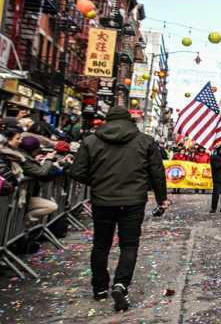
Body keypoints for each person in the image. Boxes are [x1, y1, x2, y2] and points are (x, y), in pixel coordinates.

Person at [66, 107, 169, 312]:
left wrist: (97, 181)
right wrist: (161, 199)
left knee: (101, 244)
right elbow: (157, 172)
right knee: (129, 244)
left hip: (103, 200)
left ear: (107, 120)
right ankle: (121, 284)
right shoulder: (145, 141)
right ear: (130, 120)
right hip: (133, 201)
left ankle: (100, 288)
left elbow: (76, 171)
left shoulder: (91, 141)